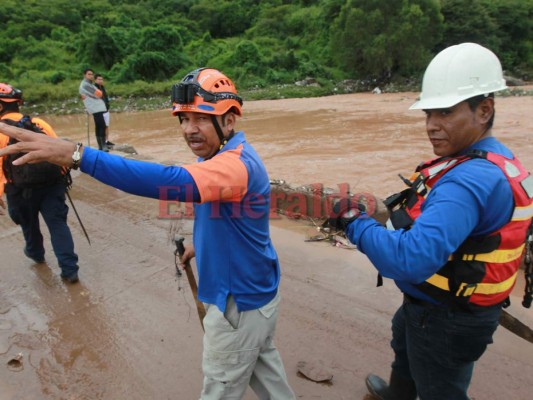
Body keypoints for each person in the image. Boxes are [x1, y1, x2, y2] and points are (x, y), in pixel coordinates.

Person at [0, 68, 296, 400]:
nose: (188, 129)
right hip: (256, 298)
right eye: (183, 119)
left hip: (237, 305)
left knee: (220, 389)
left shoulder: (236, 165)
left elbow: (170, 182)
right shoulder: (222, 158)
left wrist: (78, 155)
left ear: (229, 121)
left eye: (200, 118)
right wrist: (200, 244)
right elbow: (229, 217)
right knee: (268, 377)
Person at [326, 42, 533, 400]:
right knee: (407, 353)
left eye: (445, 113)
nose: (432, 126)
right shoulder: (494, 158)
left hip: (445, 318)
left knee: (441, 388)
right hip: (439, 308)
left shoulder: (469, 180)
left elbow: (410, 259)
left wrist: (353, 222)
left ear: (484, 110)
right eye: (428, 114)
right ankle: (397, 394)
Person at [0, 83, 80, 283]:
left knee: (28, 224)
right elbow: (58, 152)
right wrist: (63, 178)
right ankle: (70, 270)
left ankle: (36, 254)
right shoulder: (40, 124)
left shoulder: (1, 132)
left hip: (19, 189)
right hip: (51, 185)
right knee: (58, 224)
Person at [79, 68, 108, 152]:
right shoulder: (85, 85)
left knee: (99, 126)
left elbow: (97, 94)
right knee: (102, 125)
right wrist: (98, 93)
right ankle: (103, 146)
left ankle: (101, 146)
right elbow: (99, 94)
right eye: (89, 74)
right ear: (84, 75)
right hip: (95, 108)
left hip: (96, 107)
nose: (91, 76)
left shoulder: (89, 84)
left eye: (92, 74)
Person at [94, 74, 114, 148]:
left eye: (101, 79)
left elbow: (105, 97)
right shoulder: (94, 88)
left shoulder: (102, 87)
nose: (100, 81)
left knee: (106, 126)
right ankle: (101, 144)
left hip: (106, 109)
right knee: (101, 126)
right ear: (95, 80)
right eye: (99, 79)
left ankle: (106, 141)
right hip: (99, 111)